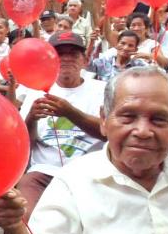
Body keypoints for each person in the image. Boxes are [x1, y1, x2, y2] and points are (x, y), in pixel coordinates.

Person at [0, 66, 168, 234]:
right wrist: (14, 226)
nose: (142, 131)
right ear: (104, 121)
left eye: (158, 119)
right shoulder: (73, 185)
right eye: (128, 117)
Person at [17, 31, 106, 220]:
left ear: (85, 60)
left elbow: (110, 132)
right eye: (59, 55)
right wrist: (31, 118)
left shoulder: (102, 90)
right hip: (43, 172)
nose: (66, 59)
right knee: (21, 218)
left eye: (73, 54)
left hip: (91, 172)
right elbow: (24, 144)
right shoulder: (35, 90)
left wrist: (70, 112)